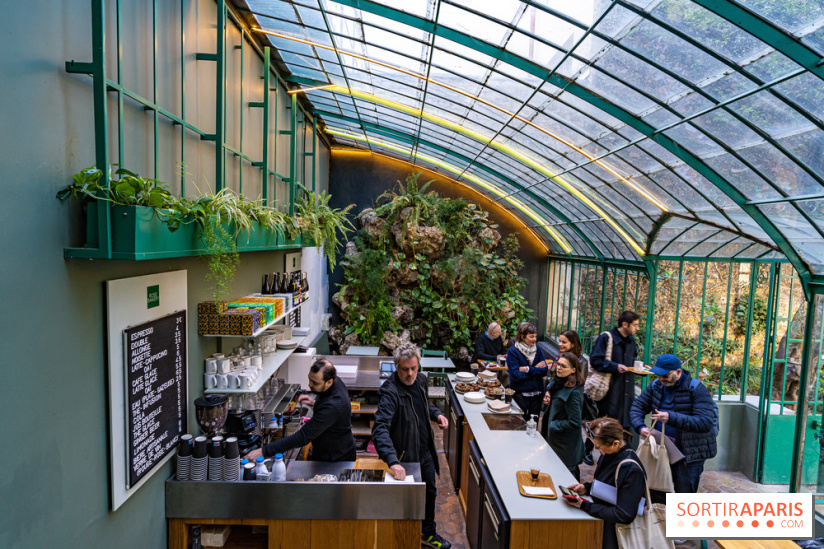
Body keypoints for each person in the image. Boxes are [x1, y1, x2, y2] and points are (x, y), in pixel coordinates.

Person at [372, 342, 452, 549]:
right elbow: (379, 429)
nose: (410, 374)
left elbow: (424, 404)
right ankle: (402, 538)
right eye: (405, 369)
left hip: (425, 451)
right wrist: (392, 461)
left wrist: (437, 414)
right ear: (396, 367)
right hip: (405, 457)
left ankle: (428, 534)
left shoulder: (421, 381)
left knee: (429, 493)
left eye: (413, 368)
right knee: (406, 501)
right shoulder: (390, 393)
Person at [630, 354, 717, 503]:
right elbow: (638, 406)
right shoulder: (657, 385)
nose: (661, 378)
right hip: (662, 449)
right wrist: (640, 427)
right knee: (657, 491)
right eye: (659, 375)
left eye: (665, 375)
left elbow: (705, 422)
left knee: (684, 495)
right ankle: (660, 523)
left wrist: (671, 417)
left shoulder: (697, 390)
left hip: (689, 454)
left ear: (678, 372)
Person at [244, 359, 356, 462]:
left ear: (329, 382)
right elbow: (328, 405)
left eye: (315, 383)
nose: (309, 384)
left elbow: (302, 437)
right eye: (310, 379)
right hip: (327, 449)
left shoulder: (334, 406)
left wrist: (263, 451)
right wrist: (314, 403)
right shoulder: (334, 382)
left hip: (336, 458)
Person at [564, 417, 647, 549]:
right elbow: (608, 484)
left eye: (598, 446)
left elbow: (624, 514)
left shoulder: (631, 470)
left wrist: (584, 505)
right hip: (604, 524)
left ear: (615, 443)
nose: (596, 450)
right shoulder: (610, 452)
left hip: (616, 534)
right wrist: (586, 488)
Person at [589, 311, 640, 430]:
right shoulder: (606, 338)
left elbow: (631, 362)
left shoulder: (631, 340)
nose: (637, 328)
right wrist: (615, 367)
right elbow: (595, 360)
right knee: (600, 424)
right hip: (607, 389)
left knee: (621, 427)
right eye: (635, 325)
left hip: (626, 390)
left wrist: (641, 368)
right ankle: (589, 446)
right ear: (625, 324)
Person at [539, 330, 589, 441]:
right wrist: (548, 390)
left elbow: (578, 383)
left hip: (565, 405)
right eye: (559, 341)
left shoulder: (581, 362)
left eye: (564, 342)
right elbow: (553, 376)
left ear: (573, 344)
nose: (560, 344)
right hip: (554, 401)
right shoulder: (559, 357)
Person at [542, 352, 585, 480]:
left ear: (573, 370)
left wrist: (553, 425)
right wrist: (549, 393)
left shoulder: (574, 393)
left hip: (565, 447)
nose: (559, 368)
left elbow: (574, 422)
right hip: (554, 440)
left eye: (563, 366)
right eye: (558, 364)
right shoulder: (559, 382)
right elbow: (553, 383)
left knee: (565, 480)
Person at [506, 323, 549, 422]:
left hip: (537, 394)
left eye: (535, 336)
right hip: (520, 394)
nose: (534, 339)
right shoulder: (513, 351)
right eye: (531, 336)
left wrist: (527, 369)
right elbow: (516, 375)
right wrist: (535, 369)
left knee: (534, 423)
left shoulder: (538, 350)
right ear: (522, 336)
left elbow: (544, 370)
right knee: (519, 422)